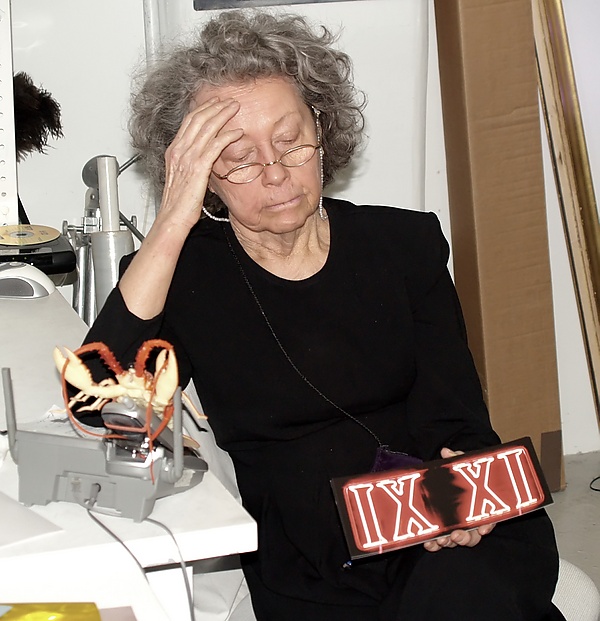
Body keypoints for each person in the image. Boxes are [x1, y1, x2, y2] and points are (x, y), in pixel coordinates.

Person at [83, 9, 565, 620]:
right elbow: (95, 402)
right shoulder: (186, 275)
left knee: (467, 589)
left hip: (442, 513)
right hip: (313, 557)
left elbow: (459, 419)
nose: (276, 173)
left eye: (291, 142)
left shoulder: (404, 245)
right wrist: (173, 220)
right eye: (239, 158)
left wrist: (465, 500)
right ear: (201, 176)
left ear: (322, 128)